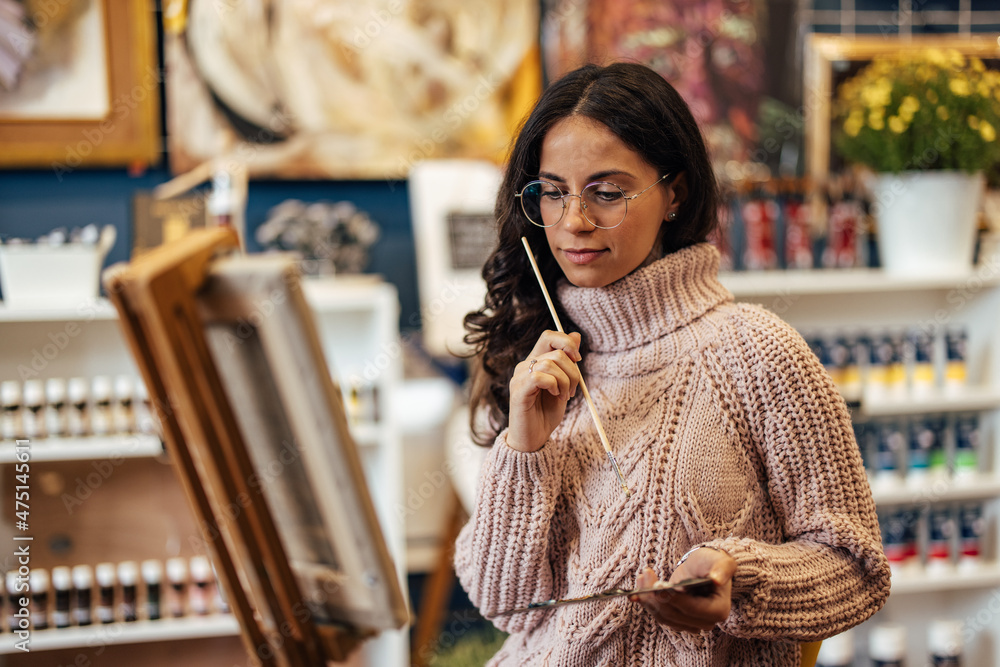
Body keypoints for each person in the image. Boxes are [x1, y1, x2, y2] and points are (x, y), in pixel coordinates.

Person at [454, 61, 890, 666]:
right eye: (553, 192)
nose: (574, 221)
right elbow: (500, 605)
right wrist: (524, 449)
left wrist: (738, 580)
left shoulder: (757, 353)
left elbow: (857, 568)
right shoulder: (535, 353)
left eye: (607, 192)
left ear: (674, 193)